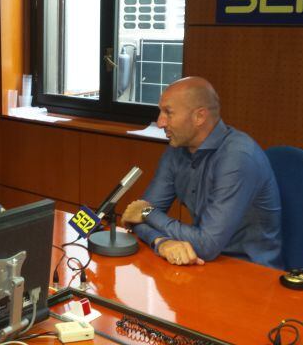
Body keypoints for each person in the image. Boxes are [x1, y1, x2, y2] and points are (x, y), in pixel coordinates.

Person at [120, 76, 283, 269]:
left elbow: (206, 244)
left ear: (199, 117)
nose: (160, 122)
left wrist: (147, 213)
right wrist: (161, 242)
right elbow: (136, 218)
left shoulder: (238, 157)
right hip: (200, 260)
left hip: (250, 271)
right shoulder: (177, 148)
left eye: (168, 113)